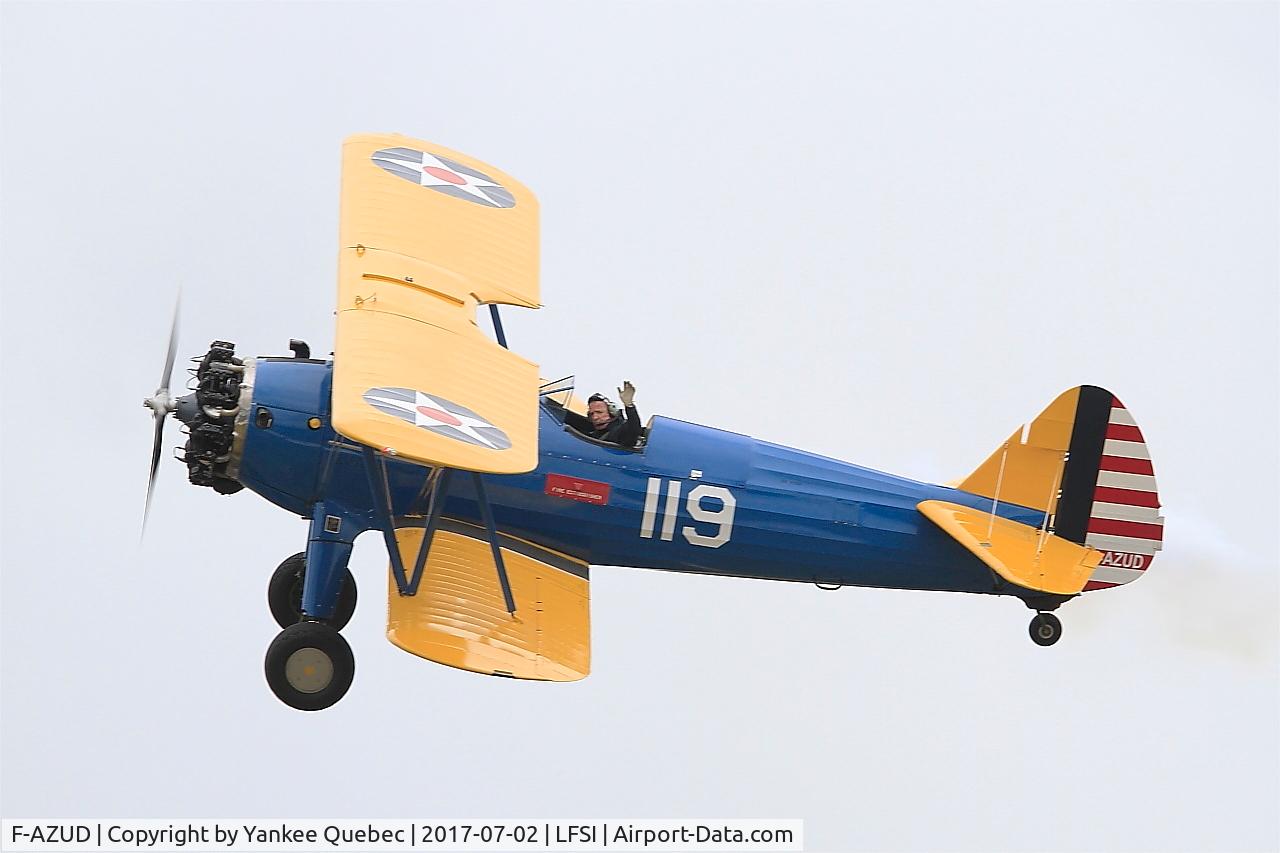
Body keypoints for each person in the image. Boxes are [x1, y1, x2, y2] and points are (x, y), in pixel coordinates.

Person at [564, 381, 642, 448]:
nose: (595, 417)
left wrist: (629, 405)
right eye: (591, 414)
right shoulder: (594, 435)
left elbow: (634, 429)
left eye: (599, 412)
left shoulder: (619, 432)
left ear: (612, 412)